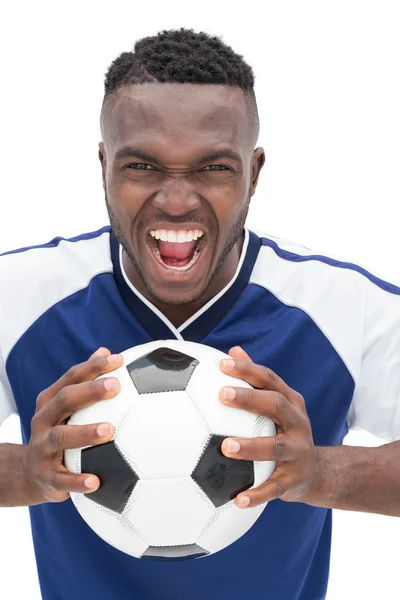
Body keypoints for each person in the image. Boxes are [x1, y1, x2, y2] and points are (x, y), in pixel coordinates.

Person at [0, 27, 399, 600]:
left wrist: (323, 473)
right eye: (141, 166)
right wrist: (22, 472)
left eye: (213, 168)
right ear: (104, 165)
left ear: (254, 173)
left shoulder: (341, 309)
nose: (177, 200)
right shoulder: (21, 297)